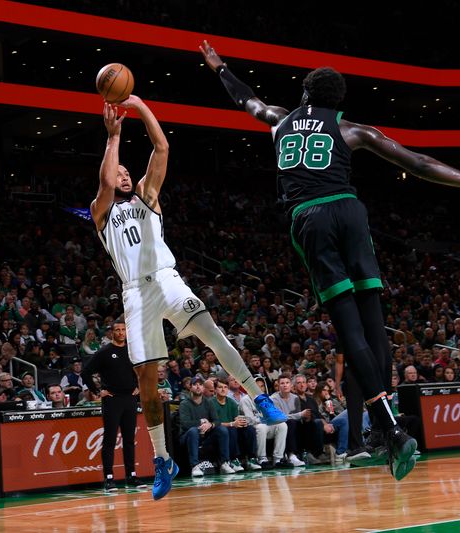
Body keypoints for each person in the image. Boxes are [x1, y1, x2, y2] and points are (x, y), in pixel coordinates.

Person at [200, 40, 460, 481]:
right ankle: (389, 427)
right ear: (337, 101)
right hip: (349, 211)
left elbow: (247, 100)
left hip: (311, 218)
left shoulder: (281, 120)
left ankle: (388, 430)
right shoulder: (352, 129)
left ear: (305, 94)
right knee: (372, 320)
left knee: (349, 332)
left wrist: (220, 67)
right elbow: (416, 162)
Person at [92, 94, 286, 499]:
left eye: (128, 172)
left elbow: (161, 148)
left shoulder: (147, 196)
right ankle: (163, 459)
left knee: (210, 330)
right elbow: (105, 182)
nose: (124, 176)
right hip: (135, 294)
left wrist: (140, 105)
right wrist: (114, 137)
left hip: (166, 278)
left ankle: (259, 395)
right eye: (120, 172)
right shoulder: (102, 211)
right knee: (146, 382)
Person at [81, 318, 146, 492]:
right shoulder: (104, 352)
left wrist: (138, 387)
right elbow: (85, 372)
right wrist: (97, 391)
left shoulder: (132, 352)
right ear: (112, 332)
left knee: (129, 440)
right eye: (117, 330)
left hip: (130, 399)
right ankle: (109, 478)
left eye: (123, 330)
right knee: (109, 439)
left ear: (127, 332)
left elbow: (143, 371)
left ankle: (131, 475)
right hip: (112, 399)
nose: (120, 333)